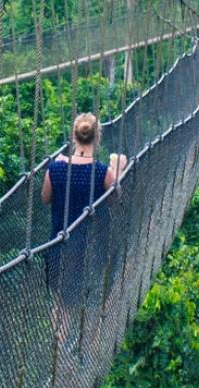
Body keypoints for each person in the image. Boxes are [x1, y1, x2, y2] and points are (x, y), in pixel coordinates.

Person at [42, 113, 128, 333]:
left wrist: (58, 164)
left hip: (57, 249)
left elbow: (45, 198)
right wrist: (118, 169)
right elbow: (117, 199)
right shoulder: (102, 172)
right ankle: (71, 355)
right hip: (87, 252)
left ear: (74, 136)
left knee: (61, 305)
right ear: (97, 138)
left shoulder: (55, 168)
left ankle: (58, 350)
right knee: (80, 306)